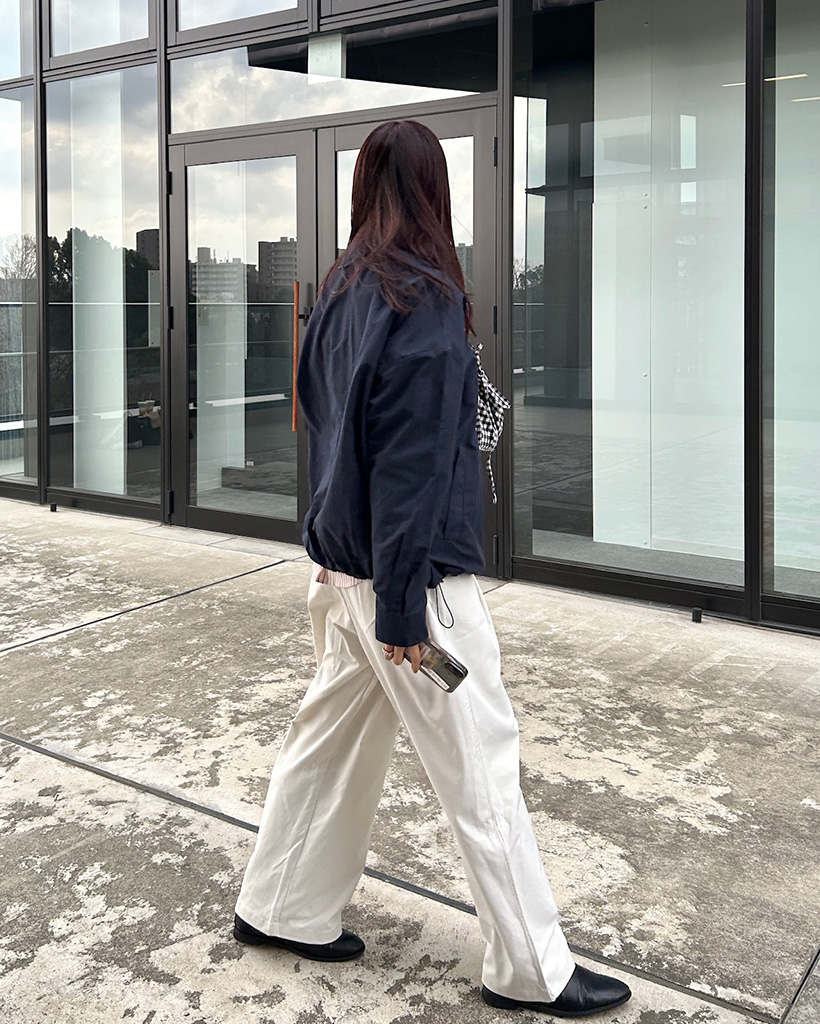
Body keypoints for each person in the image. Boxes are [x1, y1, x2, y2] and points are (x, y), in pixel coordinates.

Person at [233, 119, 631, 1019]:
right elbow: (410, 468)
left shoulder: (340, 288)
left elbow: (325, 427)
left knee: (328, 742)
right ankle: (532, 970)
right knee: (480, 763)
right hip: (411, 585)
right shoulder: (423, 298)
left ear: (365, 189)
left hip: (344, 569)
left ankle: (280, 906)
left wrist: (338, 557)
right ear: (435, 193)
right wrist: (404, 611)